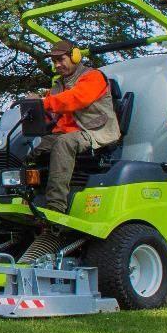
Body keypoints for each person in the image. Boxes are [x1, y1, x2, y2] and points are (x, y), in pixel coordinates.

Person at [28, 40, 121, 213]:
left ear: (75, 56)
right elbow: (50, 114)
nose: (57, 65)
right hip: (67, 132)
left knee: (64, 143)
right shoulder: (58, 85)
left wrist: (44, 102)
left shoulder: (93, 77)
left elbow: (75, 99)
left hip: (94, 131)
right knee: (32, 146)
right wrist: (33, 105)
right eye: (54, 61)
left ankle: (56, 207)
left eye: (61, 59)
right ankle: (25, 197)